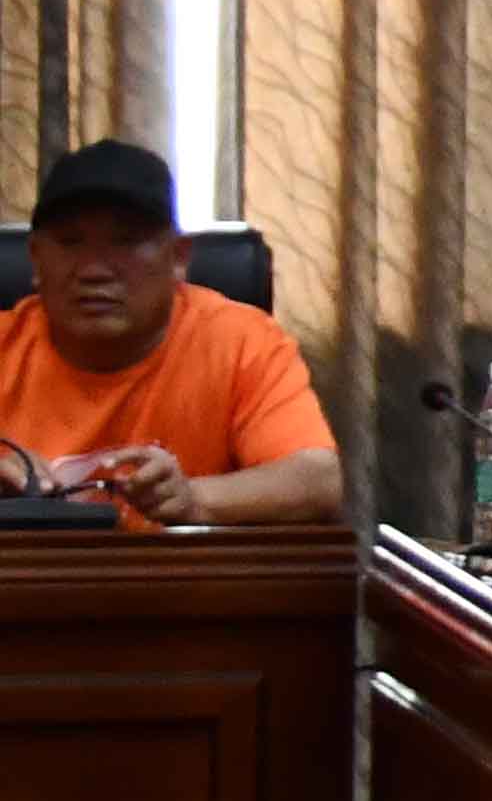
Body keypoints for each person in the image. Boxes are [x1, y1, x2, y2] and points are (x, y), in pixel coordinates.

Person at [0, 143, 340, 526]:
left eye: (126, 241)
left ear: (178, 257)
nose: (94, 270)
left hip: (184, 565)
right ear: (36, 259)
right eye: (70, 242)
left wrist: (194, 500)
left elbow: (318, 480)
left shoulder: (239, 342)